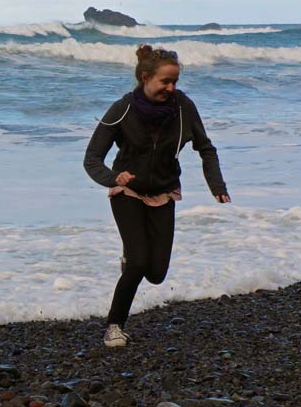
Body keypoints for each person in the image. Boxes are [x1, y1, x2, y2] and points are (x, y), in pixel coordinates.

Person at [84, 44, 230, 347]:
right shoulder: (122, 108)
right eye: (165, 81)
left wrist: (217, 186)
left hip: (164, 192)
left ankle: (131, 260)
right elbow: (92, 158)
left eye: (175, 81)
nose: (171, 87)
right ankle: (114, 326)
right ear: (145, 77)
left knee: (157, 273)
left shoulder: (183, 107)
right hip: (128, 192)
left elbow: (206, 148)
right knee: (139, 261)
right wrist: (113, 177)